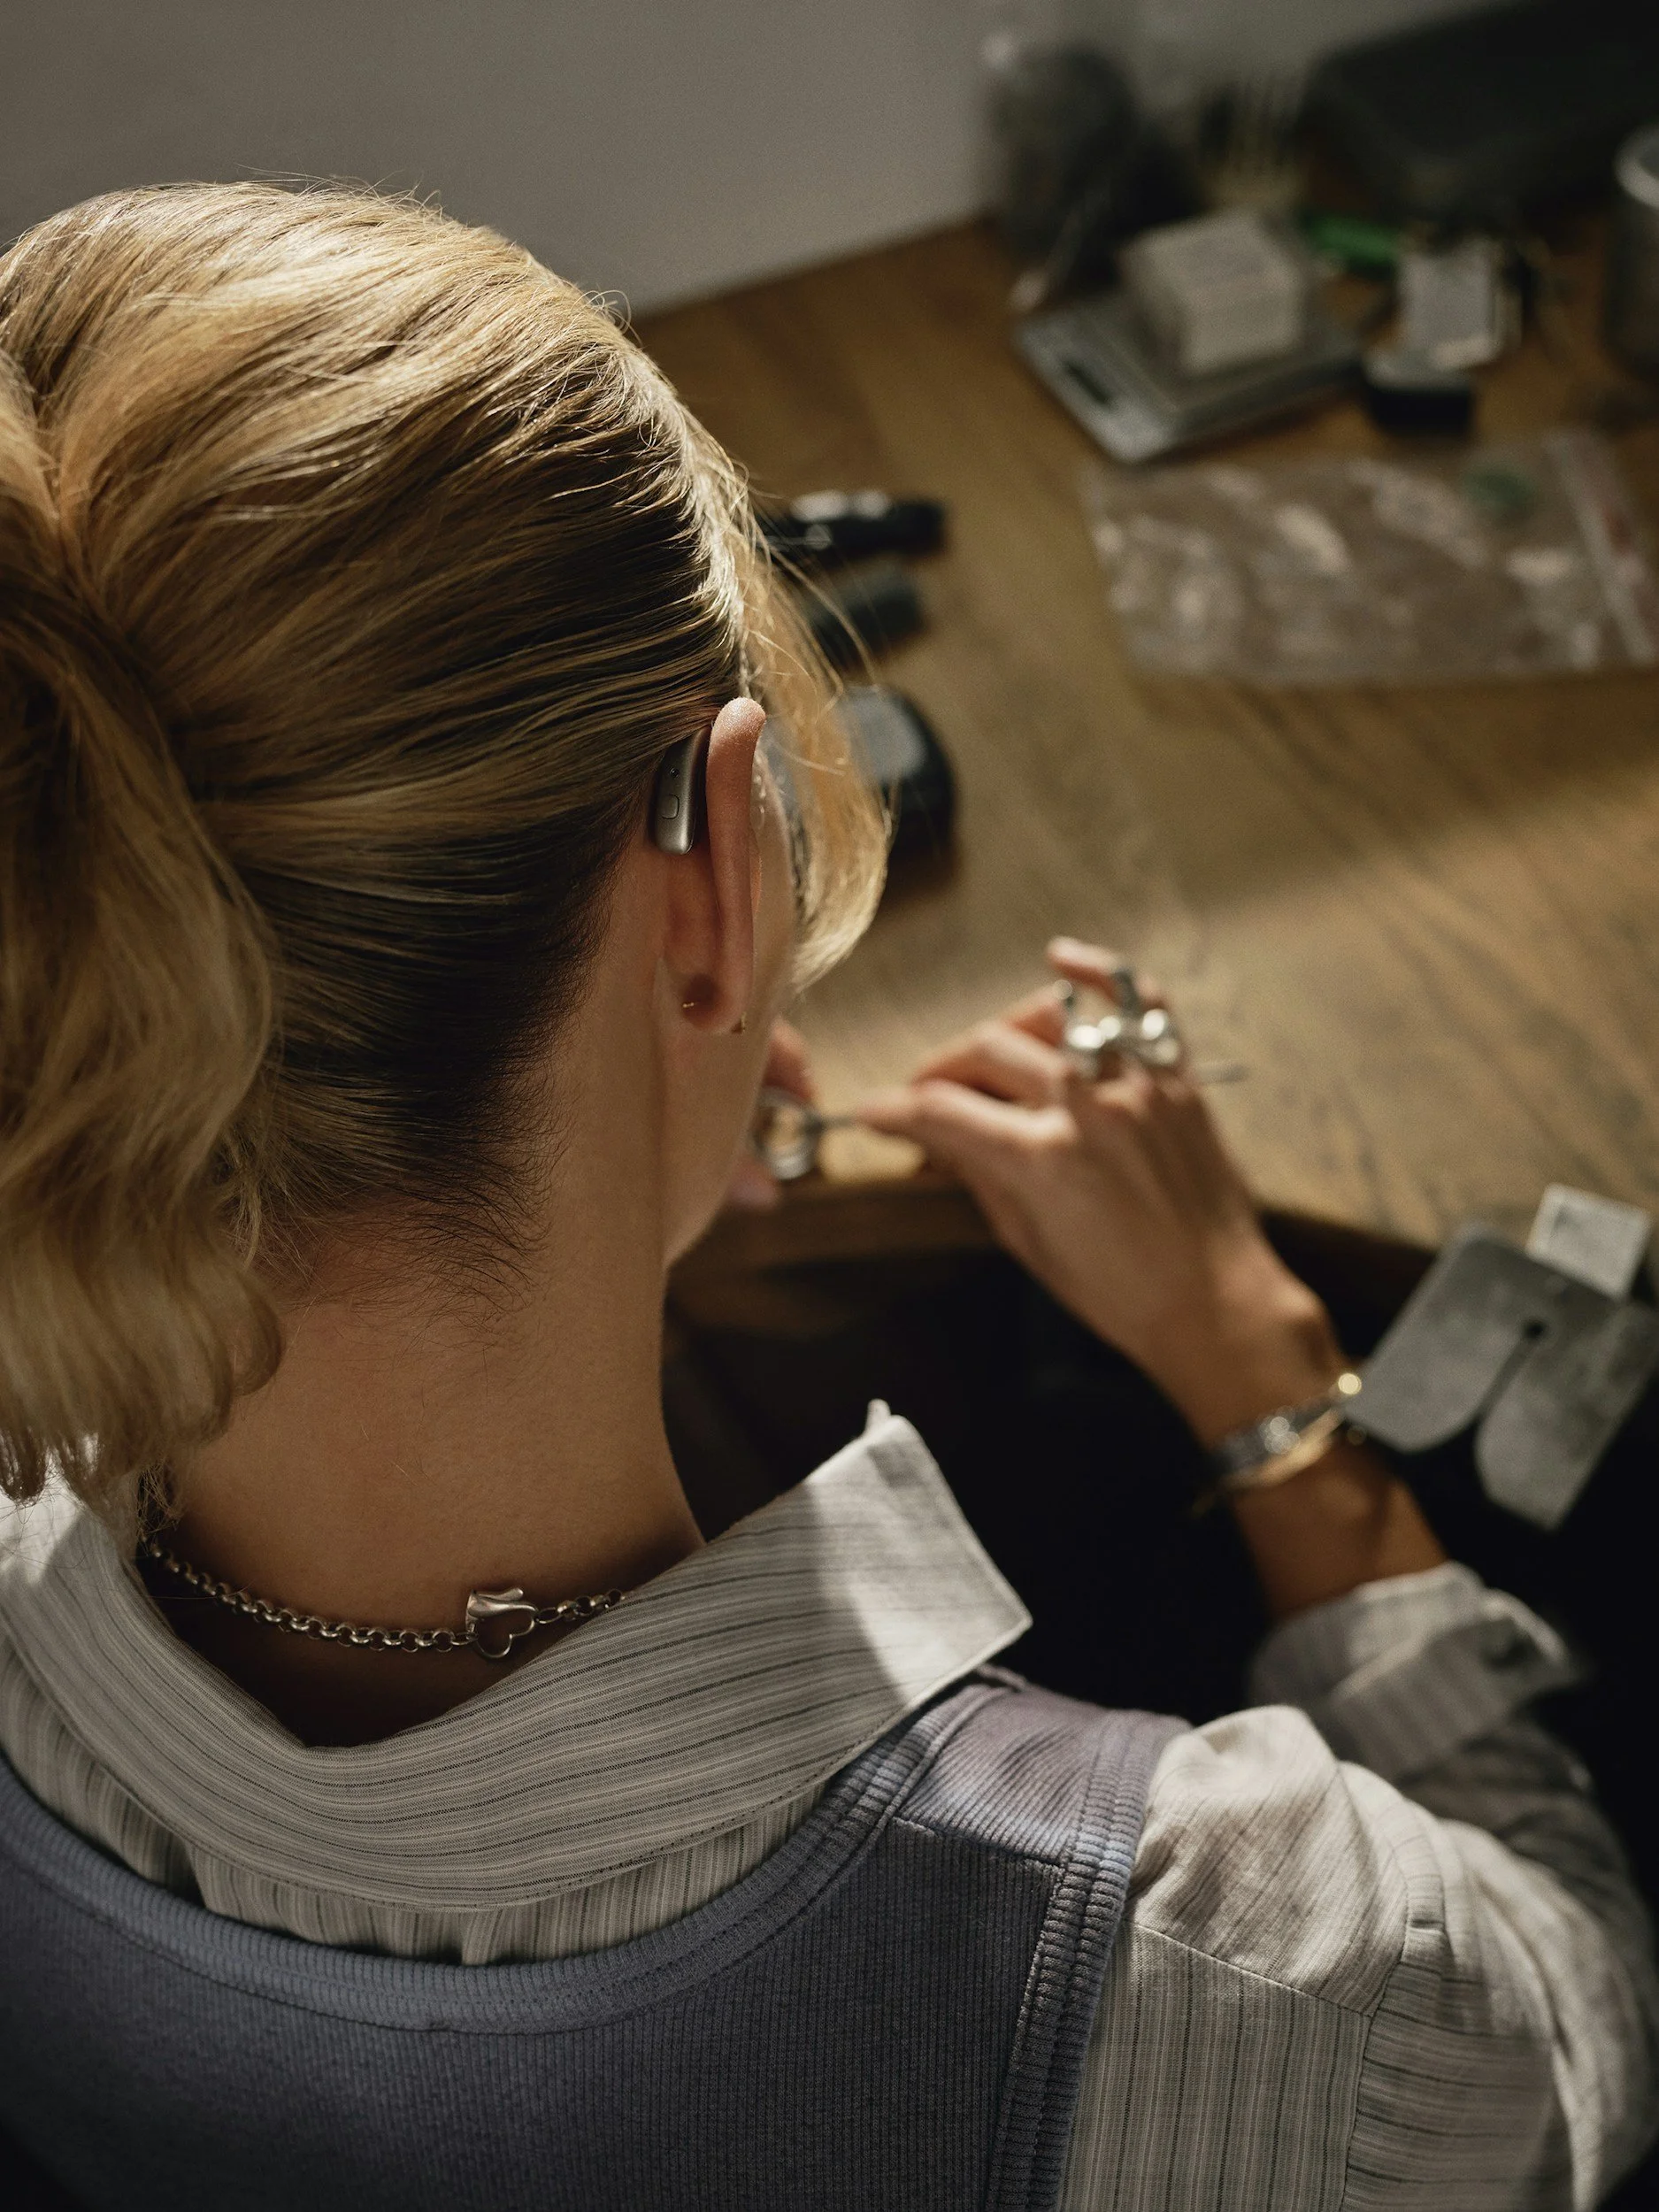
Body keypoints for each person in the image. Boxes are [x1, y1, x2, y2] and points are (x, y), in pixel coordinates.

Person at [0, 182, 1654, 2212]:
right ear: (707, 893)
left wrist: (620, 1182)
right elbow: (1580, 2021)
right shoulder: (1226, 1966)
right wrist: (1266, 1372)